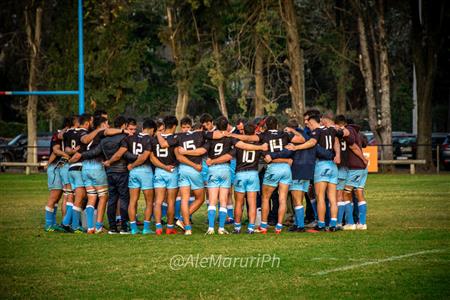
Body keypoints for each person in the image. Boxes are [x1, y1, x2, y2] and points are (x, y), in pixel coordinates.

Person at [227, 116, 304, 234]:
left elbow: (248, 138)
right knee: (282, 198)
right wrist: (292, 130)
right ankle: (278, 226)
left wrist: (232, 135)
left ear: (266, 126)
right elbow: (301, 139)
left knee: (264, 198)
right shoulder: (285, 134)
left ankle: (261, 226)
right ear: (277, 125)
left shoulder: (263, 136)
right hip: (286, 169)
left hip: (270, 168)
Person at [286, 110, 341, 232]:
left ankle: (320, 225)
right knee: (332, 197)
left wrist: (296, 147)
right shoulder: (331, 130)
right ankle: (333, 224)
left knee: (320, 196)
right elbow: (336, 141)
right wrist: (337, 155)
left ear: (312, 120)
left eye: (307, 121)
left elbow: (311, 143)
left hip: (321, 164)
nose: (306, 123)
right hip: (333, 165)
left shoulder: (317, 131)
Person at [231, 123, 267, 234]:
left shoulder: (239, 143)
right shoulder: (258, 143)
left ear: (244, 132)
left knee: (238, 202)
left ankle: (237, 228)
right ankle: (251, 228)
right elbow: (265, 158)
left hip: (241, 174)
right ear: (254, 132)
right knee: (252, 203)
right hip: (253, 174)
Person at [335, 116, 369, 230]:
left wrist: (362, 159)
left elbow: (353, 147)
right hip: (362, 168)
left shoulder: (348, 132)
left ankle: (350, 223)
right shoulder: (357, 132)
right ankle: (362, 223)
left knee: (346, 193)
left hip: (355, 167)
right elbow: (364, 143)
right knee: (359, 193)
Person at [153, 115, 180, 235]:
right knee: (171, 201)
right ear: (174, 126)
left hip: (159, 171)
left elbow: (151, 157)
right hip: (172, 171)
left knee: (158, 201)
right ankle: (169, 228)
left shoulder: (154, 138)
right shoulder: (175, 138)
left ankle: (158, 227)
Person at [44, 118, 71, 232]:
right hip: (55, 168)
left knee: (59, 196)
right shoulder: (57, 135)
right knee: (54, 196)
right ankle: (49, 224)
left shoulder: (65, 136)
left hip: (59, 167)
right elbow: (55, 150)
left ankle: (53, 223)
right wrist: (67, 155)